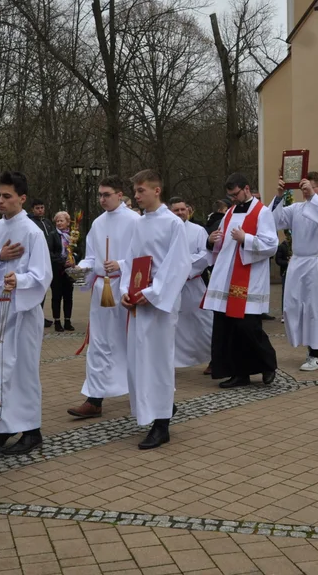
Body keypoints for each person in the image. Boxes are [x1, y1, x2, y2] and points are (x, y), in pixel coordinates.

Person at [0, 171, 52, 456]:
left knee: (20, 372)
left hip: (21, 311)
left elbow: (43, 275)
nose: (1, 201)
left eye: (7, 196)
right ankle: (0, 425)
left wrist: (19, 281)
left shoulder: (32, 232)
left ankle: (32, 431)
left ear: (22, 198)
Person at [119, 170, 191, 449]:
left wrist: (152, 293)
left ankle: (162, 425)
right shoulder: (139, 224)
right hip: (139, 301)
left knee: (159, 360)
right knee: (140, 359)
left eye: (140, 191)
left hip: (159, 303)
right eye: (135, 191)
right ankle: (157, 408)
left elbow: (178, 265)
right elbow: (130, 261)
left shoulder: (174, 224)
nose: (136, 196)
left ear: (156, 191)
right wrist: (127, 290)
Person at [68, 177, 139, 419]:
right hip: (101, 291)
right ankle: (94, 399)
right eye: (99, 195)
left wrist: (119, 264)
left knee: (129, 342)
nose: (102, 199)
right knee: (98, 344)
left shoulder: (135, 221)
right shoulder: (98, 224)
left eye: (106, 194)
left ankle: (144, 395)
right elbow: (91, 257)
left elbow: (142, 259)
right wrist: (80, 271)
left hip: (124, 288)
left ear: (120, 195)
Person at [205, 173, 278, 388]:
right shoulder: (229, 212)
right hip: (226, 277)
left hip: (248, 277)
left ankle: (268, 365)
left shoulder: (262, 212)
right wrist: (212, 240)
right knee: (229, 328)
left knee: (248, 326)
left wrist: (245, 238)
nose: (233, 198)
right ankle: (239, 373)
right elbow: (223, 242)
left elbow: (271, 245)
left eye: (235, 194)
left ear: (246, 188)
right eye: (230, 195)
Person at [270, 173, 318, 371]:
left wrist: (312, 196)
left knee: (316, 307)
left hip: (316, 262)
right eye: (303, 187)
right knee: (293, 304)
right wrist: (280, 196)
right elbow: (274, 220)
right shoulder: (296, 208)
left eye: (310, 187)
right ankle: (304, 344)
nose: (306, 191)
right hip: (298, 261)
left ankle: (316, 354)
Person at [169, 197, 213, 369]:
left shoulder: (198, 230)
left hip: (193, 285)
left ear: (188, 210)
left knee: (204, 323)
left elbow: (205, 254)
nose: (180, 213)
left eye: (182, 209)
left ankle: (213, 357)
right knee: (174, 325)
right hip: (171, 287)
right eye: (176, 210)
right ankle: (171, 361)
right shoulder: (166, 230)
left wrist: (183, 267)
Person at [28, 199, 60, 328]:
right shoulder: (31, 223)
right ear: (32, 209)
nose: (40, 210)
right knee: (37, 288)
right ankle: (34, 316)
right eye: (37, 208)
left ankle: (40, 314)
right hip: (37, 259)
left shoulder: (47, 223)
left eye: (42, 207)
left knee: (46, 288)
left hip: (50, 259)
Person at [50, 211, 75, 332]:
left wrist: (74, 259)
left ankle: (68, 320)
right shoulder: (53, 235)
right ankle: (57, 321)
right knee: (56, 296)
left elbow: (79, 250)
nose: (59, 223)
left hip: (70, 270)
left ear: (68, 222)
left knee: (68, 296)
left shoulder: (73, 235)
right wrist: (62, 261)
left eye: (62, 221)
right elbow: (50, 253)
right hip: (57, 270)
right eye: (57, 221)